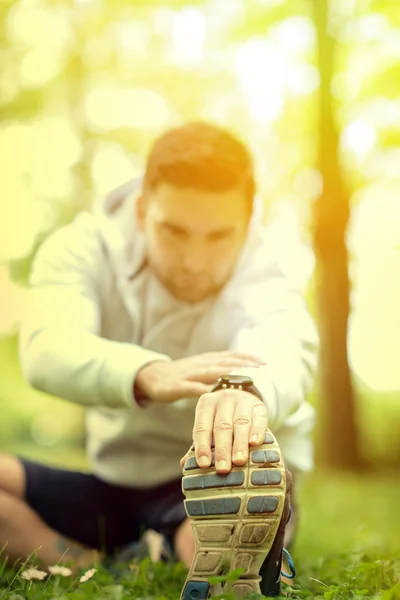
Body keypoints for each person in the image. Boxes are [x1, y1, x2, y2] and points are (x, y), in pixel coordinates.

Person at [0, 122, 318, 596]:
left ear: (249, 219)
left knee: (231, 522)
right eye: (174, 231)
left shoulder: (268, 265)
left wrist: (245, 390)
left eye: (218, 237)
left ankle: (189, 550)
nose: (194, 260)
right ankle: (99, 564)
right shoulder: (82, 248)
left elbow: (286, 342)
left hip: (224, 474)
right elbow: (47, 346)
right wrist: (148, 373)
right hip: (114, 483)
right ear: (143, 208)